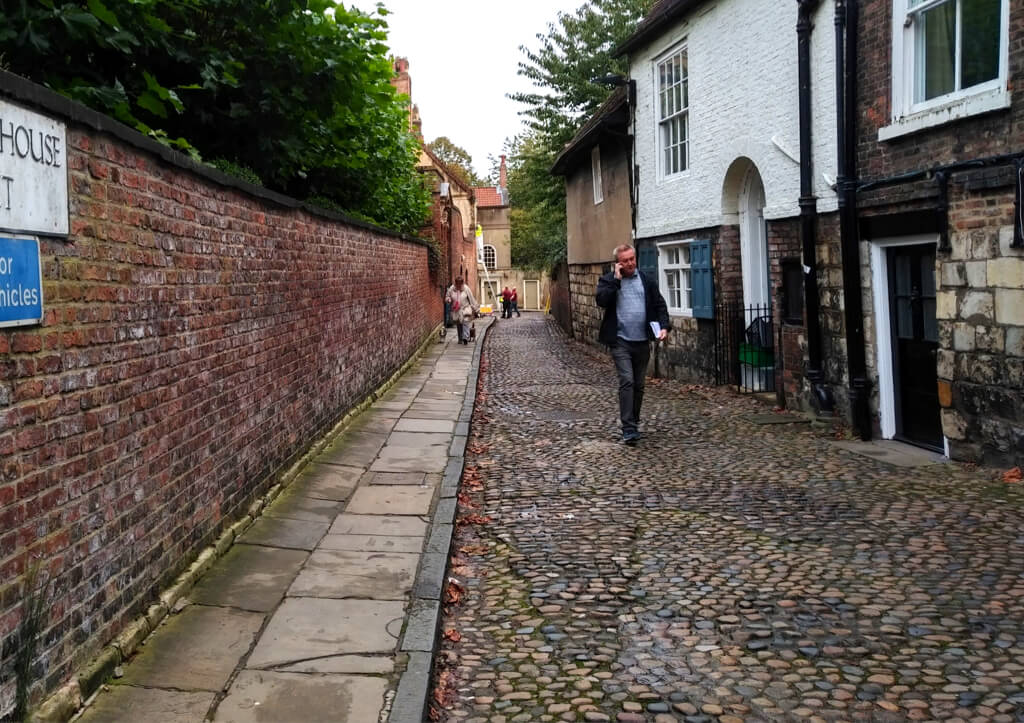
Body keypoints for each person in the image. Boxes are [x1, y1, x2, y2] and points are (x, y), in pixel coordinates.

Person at [595, 244, 670, 445]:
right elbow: (602, 301)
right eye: (625, 260)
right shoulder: (608, 281)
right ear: (618, 263)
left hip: (642, 340)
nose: (629, 263)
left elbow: (659, 305)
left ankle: (633, 422)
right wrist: (617, 280)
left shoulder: (646, 281)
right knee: (627, 381)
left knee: (639, 385)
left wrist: (664, 327)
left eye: (632, 259)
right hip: (620, 341)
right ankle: (628, 428)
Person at [445, 277, 479, 345]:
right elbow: (447, 296)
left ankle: (465, 338)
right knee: (459, 323)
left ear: (462, 283)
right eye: (457, 284)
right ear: (455, 283)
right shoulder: (452, 289)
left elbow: (471, 299)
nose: (458, 286)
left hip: (465, 308)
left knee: (465, 322)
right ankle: (460, 338)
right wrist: (448, 299)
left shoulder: (466, 289)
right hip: (456, 309)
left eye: (460, 284)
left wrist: (476, 309)